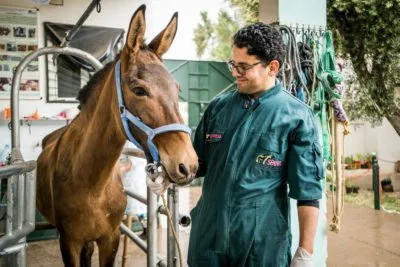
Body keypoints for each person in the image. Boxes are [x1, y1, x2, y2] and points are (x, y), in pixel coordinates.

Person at [187, 22, 323, 267]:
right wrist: (167, 175)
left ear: (272, 67)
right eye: (233, 64)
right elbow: (196, 164)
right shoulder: (218, 108)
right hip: (207, 242)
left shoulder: (297, 117)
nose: (235, 72)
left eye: (243, 66)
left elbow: (308, 193)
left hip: (261, 247)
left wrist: (305, 252)